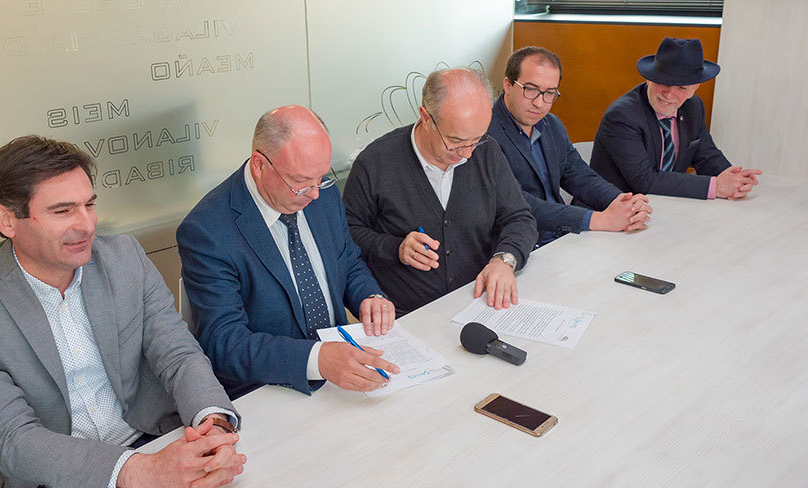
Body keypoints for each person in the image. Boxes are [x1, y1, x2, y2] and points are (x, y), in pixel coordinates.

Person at [0, 136, 245, 488]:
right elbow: (13, 438)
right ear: (7, 220)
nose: (86, 224)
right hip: (52, 483)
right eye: (63, 211)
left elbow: (178, 354)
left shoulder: (124, 258)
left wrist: (214, 427)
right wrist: (145, 471)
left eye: (89, 205)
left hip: (153, 440)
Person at [177, 105, 399, 399]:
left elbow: (347, 261)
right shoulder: (207, 231)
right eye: (300, 182)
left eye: (322, 177)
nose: (315, 193)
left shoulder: (322, 192)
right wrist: (317, 359)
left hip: (342, 371)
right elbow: (225, 343)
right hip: (268, 389)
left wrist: (370, 296)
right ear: (259, 165)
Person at [344, 68, 538, 315]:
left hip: (477, 303)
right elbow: (347, 235)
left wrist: (504, 259)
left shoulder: (487, 152)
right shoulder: (375, 163)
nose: (467, 154)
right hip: (407, 314)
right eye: (455, 142)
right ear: (426, 117)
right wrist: (395, 248)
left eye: (477, 139)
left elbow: (519, 218)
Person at [489, 46, 652, 246]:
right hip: (518, 245)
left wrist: (623, 203)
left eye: (549, 93)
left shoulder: (552, 125)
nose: (540, 103)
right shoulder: (485, 133)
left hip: (561, 238)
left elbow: (579, 175)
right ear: (508, 85)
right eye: (530, 90)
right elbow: (516, 202)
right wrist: (597, 219)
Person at [591, 37, 761, 200]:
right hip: (614, 210)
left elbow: (706, 155)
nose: (669, 94)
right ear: (649, 79)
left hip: (666, 206)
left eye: (681, 87)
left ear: (694, 88)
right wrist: (716, 186)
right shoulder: (622, 116)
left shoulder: (693, 106)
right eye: (664, 82)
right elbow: (644, 180)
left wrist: (732, 178)